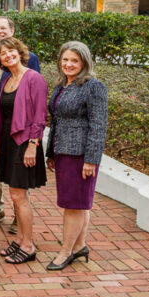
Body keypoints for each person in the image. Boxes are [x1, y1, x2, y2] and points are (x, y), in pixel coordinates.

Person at [45, 41, 107, 271]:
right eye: (65, 59)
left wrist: (91, 160)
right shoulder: (62, 85)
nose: (68, 64)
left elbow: (98, 125)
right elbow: (57, 121)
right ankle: (80, 245)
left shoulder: (93, 86)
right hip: (63, 152)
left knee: (73, 205)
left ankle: (65, 252)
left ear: (84, 63)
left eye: (74, 60)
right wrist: (51, 152)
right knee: (79, 204)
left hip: (81, 155)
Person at [0, 16, 41, 234]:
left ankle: (19, 214)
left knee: (18, 171)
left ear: (12, 31)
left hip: (19, 126)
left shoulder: (29, 58)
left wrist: (33, 139)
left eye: (3, 28)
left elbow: (35, 99)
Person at [0, 37, 48, 264]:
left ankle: (28, 245)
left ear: (19, 51)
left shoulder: (34, 78)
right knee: (15, 196)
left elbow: (39, 117)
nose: (8, 55)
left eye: (11, 50)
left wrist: (33, 146)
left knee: (19, 196)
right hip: (8, 143)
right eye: (3, 53)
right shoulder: (7, 80)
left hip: (25, 143)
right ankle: (21, 240)